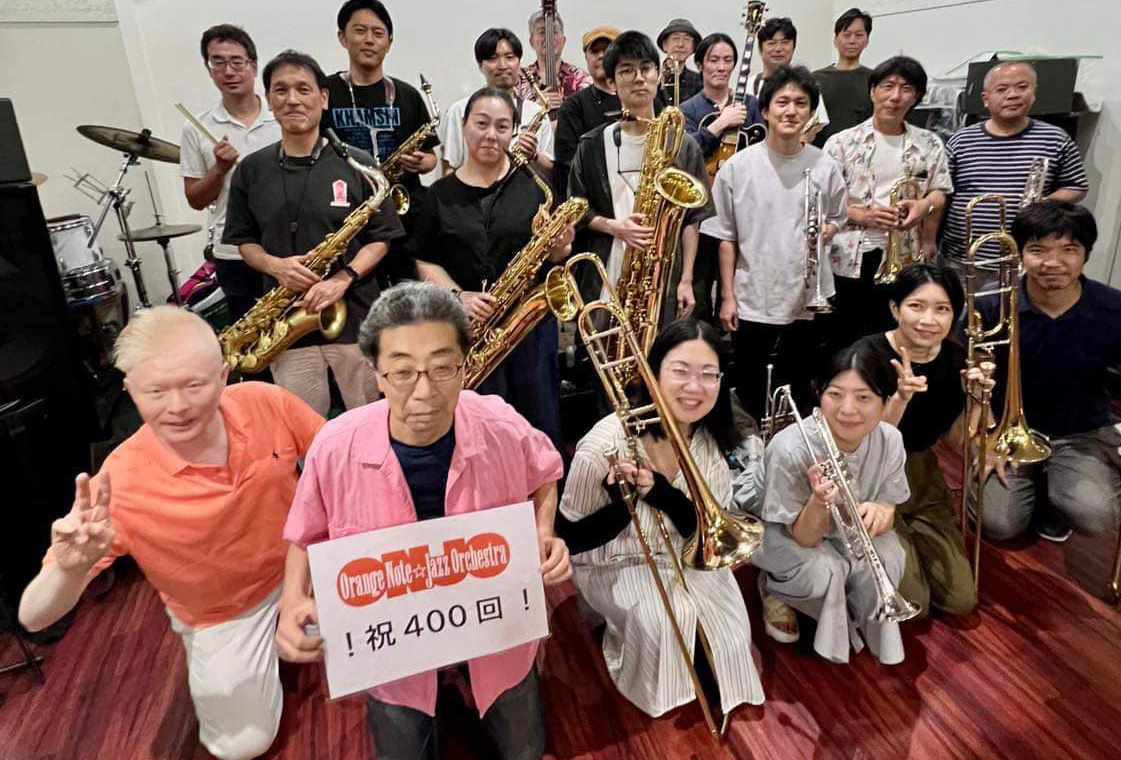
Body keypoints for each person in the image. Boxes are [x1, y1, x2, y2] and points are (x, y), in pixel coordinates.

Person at [277, 282, 571, 760]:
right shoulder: (334, 446)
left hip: (494, 628)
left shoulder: (501, 423)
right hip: (393, 649)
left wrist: (544, 533)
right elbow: (306, 533)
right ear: (376, 372)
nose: (424, 392)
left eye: (442, 367)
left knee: (526, 749)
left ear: (464, 366)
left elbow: (545, 474)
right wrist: (293, 599)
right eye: (402, 371)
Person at [18, 307, 324, 760]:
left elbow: (338, 462)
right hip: (223, 612)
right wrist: (70, 568)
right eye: (156, 391)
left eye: (194, 385)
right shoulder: (119, 482)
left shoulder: (265, 401)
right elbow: (33, 617)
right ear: (130, 391)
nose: (177, 407)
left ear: (222, 376)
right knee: (241, 745)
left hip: (304, 566)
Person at [558, 319, 764, 721]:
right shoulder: (604, 443)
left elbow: (701, 529)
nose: (694, 387)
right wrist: (621, 503)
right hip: (616, 559)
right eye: (680, 371)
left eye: (708, 375)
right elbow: (569, 539)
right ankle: (622, 639)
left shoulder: (711, 439)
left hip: (684, 552)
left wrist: (663, 495)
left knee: (731, 635)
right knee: (663, 623)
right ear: (652, 375)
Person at [223, 50, 405, 415]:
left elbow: (381, 238)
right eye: (281, 90)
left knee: (370, 419)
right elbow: (244, 241)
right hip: (285, 323)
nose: (292, 99)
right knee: (305, 426)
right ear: (269, 100)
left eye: (303, 89)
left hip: (355, 317)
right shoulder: (251, 170)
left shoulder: (358, 164)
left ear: (323, 98)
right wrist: (276, 266)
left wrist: (341, 279)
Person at [968, 201, 1121, 543]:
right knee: (997, 523)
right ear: (1020, 254)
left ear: (1086, 255)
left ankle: (1055, 489)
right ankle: (1036, 483)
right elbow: (975, 384)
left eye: (1069, 250)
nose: (1052, 262)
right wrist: (986, 438)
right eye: (1038, 250)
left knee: (1095, 515)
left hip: (1082, 430)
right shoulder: (991, 304)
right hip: (1007, 430)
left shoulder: (1118, 307)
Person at [411, 87, 574, 449]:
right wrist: (459, 296)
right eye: (481, 124)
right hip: (465, 331)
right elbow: (422, 259)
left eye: (502, 127)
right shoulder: (438, 196)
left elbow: (555, 256)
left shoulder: (536, 189)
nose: (490, 135)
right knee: (476, 432)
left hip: (529, 330)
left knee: (538, 427)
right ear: (464, 126)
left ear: (512, 131)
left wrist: (561, 245)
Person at [745, 341, 909, 663]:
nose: (848, 409)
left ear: (885, 401)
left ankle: (869, 621)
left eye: (863, 397)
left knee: (889, 552)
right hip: (785, 530)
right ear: (818, 394)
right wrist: (819, 501)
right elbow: (803, 537)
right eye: (835, 394)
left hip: (844, 531)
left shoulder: (891, 440)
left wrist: (882, 510)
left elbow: (890, 506)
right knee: (825, 569)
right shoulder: (790, 448)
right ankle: (774, 586)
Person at [700, 65, 846, 420]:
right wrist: (728, 297)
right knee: (751, 386)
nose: (791, 110)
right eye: (782, 102)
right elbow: (725, 238)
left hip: (808, 297)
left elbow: (838, 218)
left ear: (811, 113)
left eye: (801, 103)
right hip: (754, 294)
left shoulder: (825, 165)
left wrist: (826, 230)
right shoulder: (737, 167)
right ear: (765, 110)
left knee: (800, 386)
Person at [855, 264, 977, 617]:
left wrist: (977, 401)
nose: (928, 320)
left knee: (961, 601)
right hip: (868, 473)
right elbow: (863, 441)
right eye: (916, 306)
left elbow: (957, 442)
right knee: (915, 606)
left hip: (921, 474)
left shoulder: (956, 359)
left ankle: (909, 532)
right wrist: (899, 399)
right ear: (895, 308)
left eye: (942, 309)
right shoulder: (865, 356)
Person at [567, 30, 714, 320]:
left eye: (646, 68)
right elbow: (576, 209)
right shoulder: (591, 145)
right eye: (626, 71)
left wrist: (686, 280)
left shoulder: (683, 145)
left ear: (658, 75)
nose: (638, 78)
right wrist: (615, 227)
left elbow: (692, 219)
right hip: (607, 280)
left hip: (663, 281)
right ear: (611, 82)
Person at [824, 55, 953, 348]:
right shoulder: (841, 143)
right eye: (888, 86)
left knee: (897, 335)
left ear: (916, 97)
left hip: (906, 254)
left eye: (906, 89)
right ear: (873, 91)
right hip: (851, 256)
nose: (895, 96)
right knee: (847, 336)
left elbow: (939, 191)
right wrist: (861, 215)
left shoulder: (930, 143)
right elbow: (824, 202)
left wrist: (923, 208)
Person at [321, 0, 439, 287]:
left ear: (389, 42)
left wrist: (422, 162)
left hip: (402, 220)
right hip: (346, 217)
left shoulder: (407, 95)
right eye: (360, 31)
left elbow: (431, 158)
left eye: (378, 33)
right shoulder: (326, 92)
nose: (369, 40)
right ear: (342, 37)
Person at [933, 60, 1089, 276]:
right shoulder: (961, 140)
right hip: (960, 257)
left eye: (1022, 87)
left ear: (1033, 94)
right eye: (1002, 89)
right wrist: (930, 240)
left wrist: (1042, 204)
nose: (1013, 95)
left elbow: (1077, 187)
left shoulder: (1055, 138)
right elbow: (942, 193)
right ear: (986, 99)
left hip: (1024, 258)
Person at [180, 24, 279, 321]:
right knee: (249, 337)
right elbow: (195, 199)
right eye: (218, 62)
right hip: (232, 252)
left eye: (237, 61)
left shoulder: (281, 117)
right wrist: (219, 169)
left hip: (284, 245)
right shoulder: (196, 128)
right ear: (208, 68)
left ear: (253, 66)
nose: (229, 71)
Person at [438, 28, 554, 178]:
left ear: (519, 62)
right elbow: (449, 169)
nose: (503, 65)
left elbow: (551, 173)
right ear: (480, 64)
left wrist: (534, 156)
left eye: (510, 57)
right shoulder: (459, 110)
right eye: (493, 58)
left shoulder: (536, 112)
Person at [553, 25, 623, 198]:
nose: (601, 56)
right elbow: (566, 165)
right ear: (586, 57)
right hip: (591, 202)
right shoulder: (572, 106)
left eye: (607, 50)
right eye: (594, 51)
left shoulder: (643, 101)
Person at [680, 32, 764, 162]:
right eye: (714, 60)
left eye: (728, 60)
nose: (722, 67)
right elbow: (684, 155)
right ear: (699, 65)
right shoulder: (687, 110)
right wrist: (720, 123)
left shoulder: (752, 104)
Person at [750, 16, 830, 144]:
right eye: (771, 43)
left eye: (785, 42)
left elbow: (814, 126)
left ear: (793, 46)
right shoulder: (748, 85)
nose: (778, 49)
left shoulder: (806, 84)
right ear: (760, 48)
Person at [514, 6, 593, 119]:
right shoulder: (519, 79)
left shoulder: (580, 77)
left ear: (563, 40)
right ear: (531, 42)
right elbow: (510, 119)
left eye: (554, 31)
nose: (549, 38)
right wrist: (533, 109)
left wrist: (566, 107)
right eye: (542, 32)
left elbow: (589, 116)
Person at [812, 8, 874, 148]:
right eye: (846, 35)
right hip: (820, 153)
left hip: (861, 154)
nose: (852, 40)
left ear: (866, 40)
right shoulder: (815, 79)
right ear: (835, 40)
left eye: (858, 35)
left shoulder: (875, 80)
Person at [656, 18, 704, 106]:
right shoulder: (651, 78)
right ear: (665, 45)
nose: (680, 44)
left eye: (687, 39)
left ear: (693, 47)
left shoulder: (700, 82)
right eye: (675, 38)